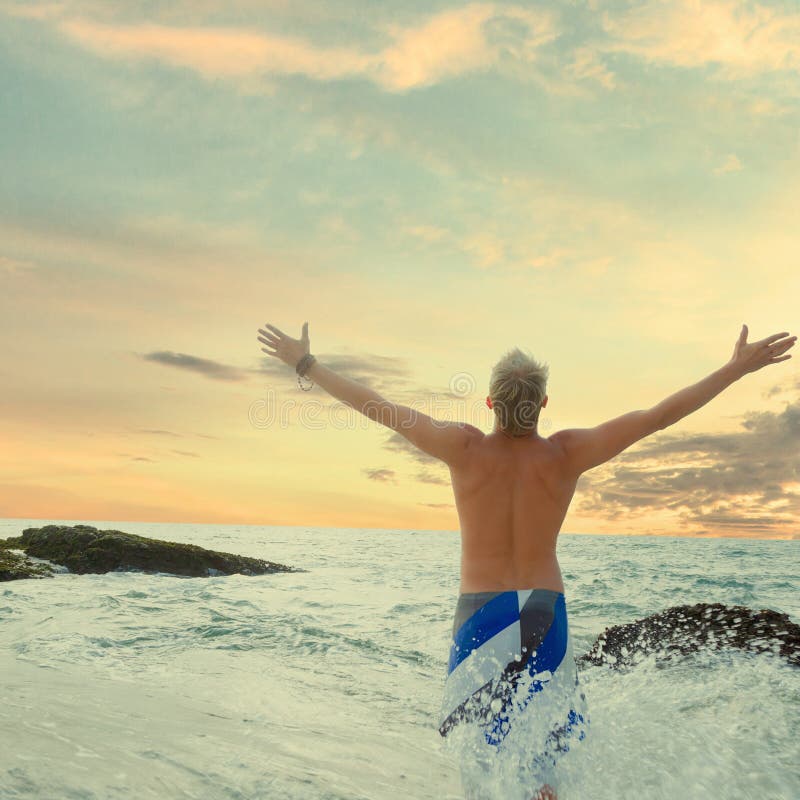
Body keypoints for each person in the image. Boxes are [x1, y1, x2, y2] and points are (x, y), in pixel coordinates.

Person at [256, 322, 796, 800]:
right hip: (543, 607)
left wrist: (306, 364)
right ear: (543, 405)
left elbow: (378, 408)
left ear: (489, 404)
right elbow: (657, 417)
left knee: (480, 751)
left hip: (481, 608)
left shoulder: (464, 449)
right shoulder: (565, 455)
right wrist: (734, 369)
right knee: (545, 763)